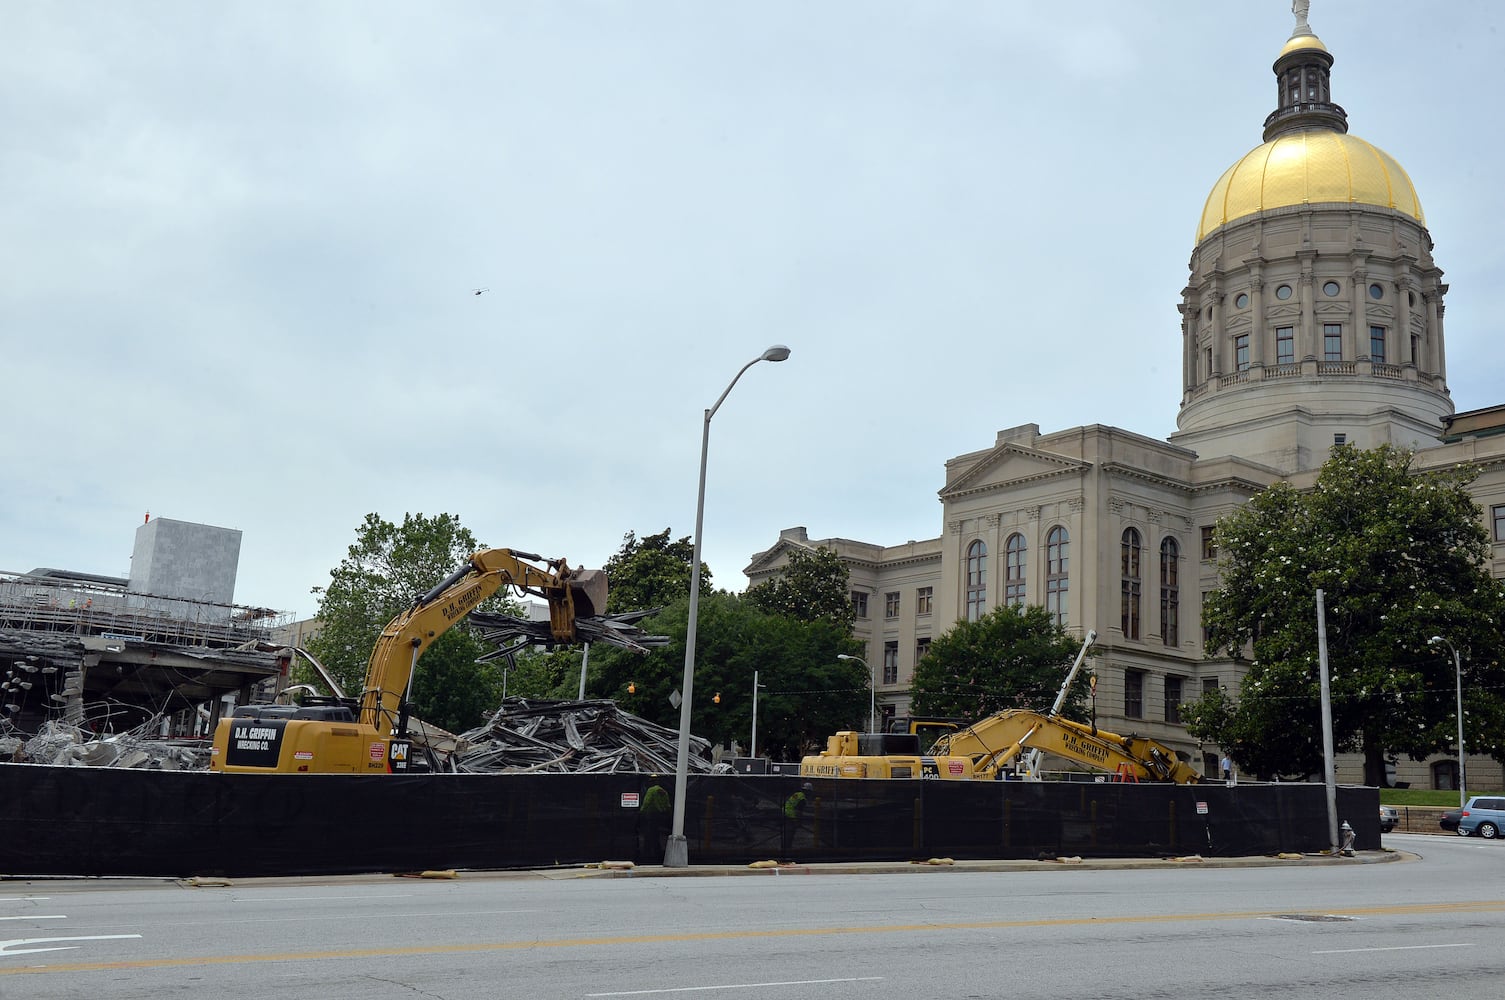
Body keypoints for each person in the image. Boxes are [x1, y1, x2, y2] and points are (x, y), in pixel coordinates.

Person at [640, 781, 670, 861]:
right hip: (660, 815)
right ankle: (657, 851)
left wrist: (641, 811)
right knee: (656, 834)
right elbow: (667, 804)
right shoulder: (664, 791)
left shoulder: (651, 790)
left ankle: (647, 852)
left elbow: (647, 801)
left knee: (648, 834)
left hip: (651, 814)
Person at [781, 782, 812, 857]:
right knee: (790, 833)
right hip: (790, 815)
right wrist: (797, 822)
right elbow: (799, 812)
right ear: (808, 791)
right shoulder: (802, 799)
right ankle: (787, 850)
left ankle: (785, 848)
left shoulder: (797, 794)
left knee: (786, 832)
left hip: (784, 812)